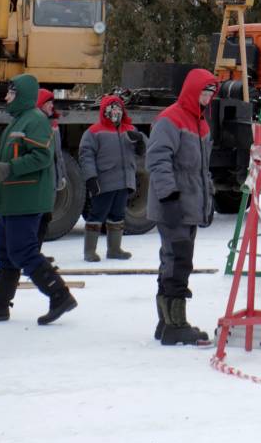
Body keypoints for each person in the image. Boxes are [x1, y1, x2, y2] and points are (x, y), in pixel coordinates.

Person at [0, 73, 78, 327]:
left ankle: (59, 295)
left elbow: (41, 156)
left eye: (11, 93)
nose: (6, 97)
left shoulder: (36, 121)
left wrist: (10, 168)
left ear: (24, 96)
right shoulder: (18, 121)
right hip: (12, 199)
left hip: (26, 199)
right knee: (6, 253)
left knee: (23, 251)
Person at [146, 68, 218, 346]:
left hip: (190, 206)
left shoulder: (202, 125)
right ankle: (176, 325)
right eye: (205, 91)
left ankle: (165, 322)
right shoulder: (170, 120)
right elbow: (158, 160)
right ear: (192, 90)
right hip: (173, 205)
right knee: (178, 262)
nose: (209, 97)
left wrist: (208, 201)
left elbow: (202, 171)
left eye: (212, 93)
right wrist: (169, 197)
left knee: (172, 260)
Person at [78, 93, 146, 262]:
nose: (116, 113)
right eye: (112, 110)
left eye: (118, 110)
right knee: (97, 214)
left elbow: (143, 151)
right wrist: (91, 178)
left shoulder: (130, 130)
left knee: (118, 214)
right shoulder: (93, 132)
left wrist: (140, 142)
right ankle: (89, 251)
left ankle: (114, 249)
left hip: (124, 182)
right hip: (104, 183)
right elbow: (86, 156)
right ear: (104, 112)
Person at [35, 87, 66, 250]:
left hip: (51, 179)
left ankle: (36, 251)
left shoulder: (53, 124)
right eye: (48, 103)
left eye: (52, 103)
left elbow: (57, 154)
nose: (51, 106)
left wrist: (61, 175)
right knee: (38, 219)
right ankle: (33, 253)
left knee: (45, 218)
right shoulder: (37, 125)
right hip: (41, 181)